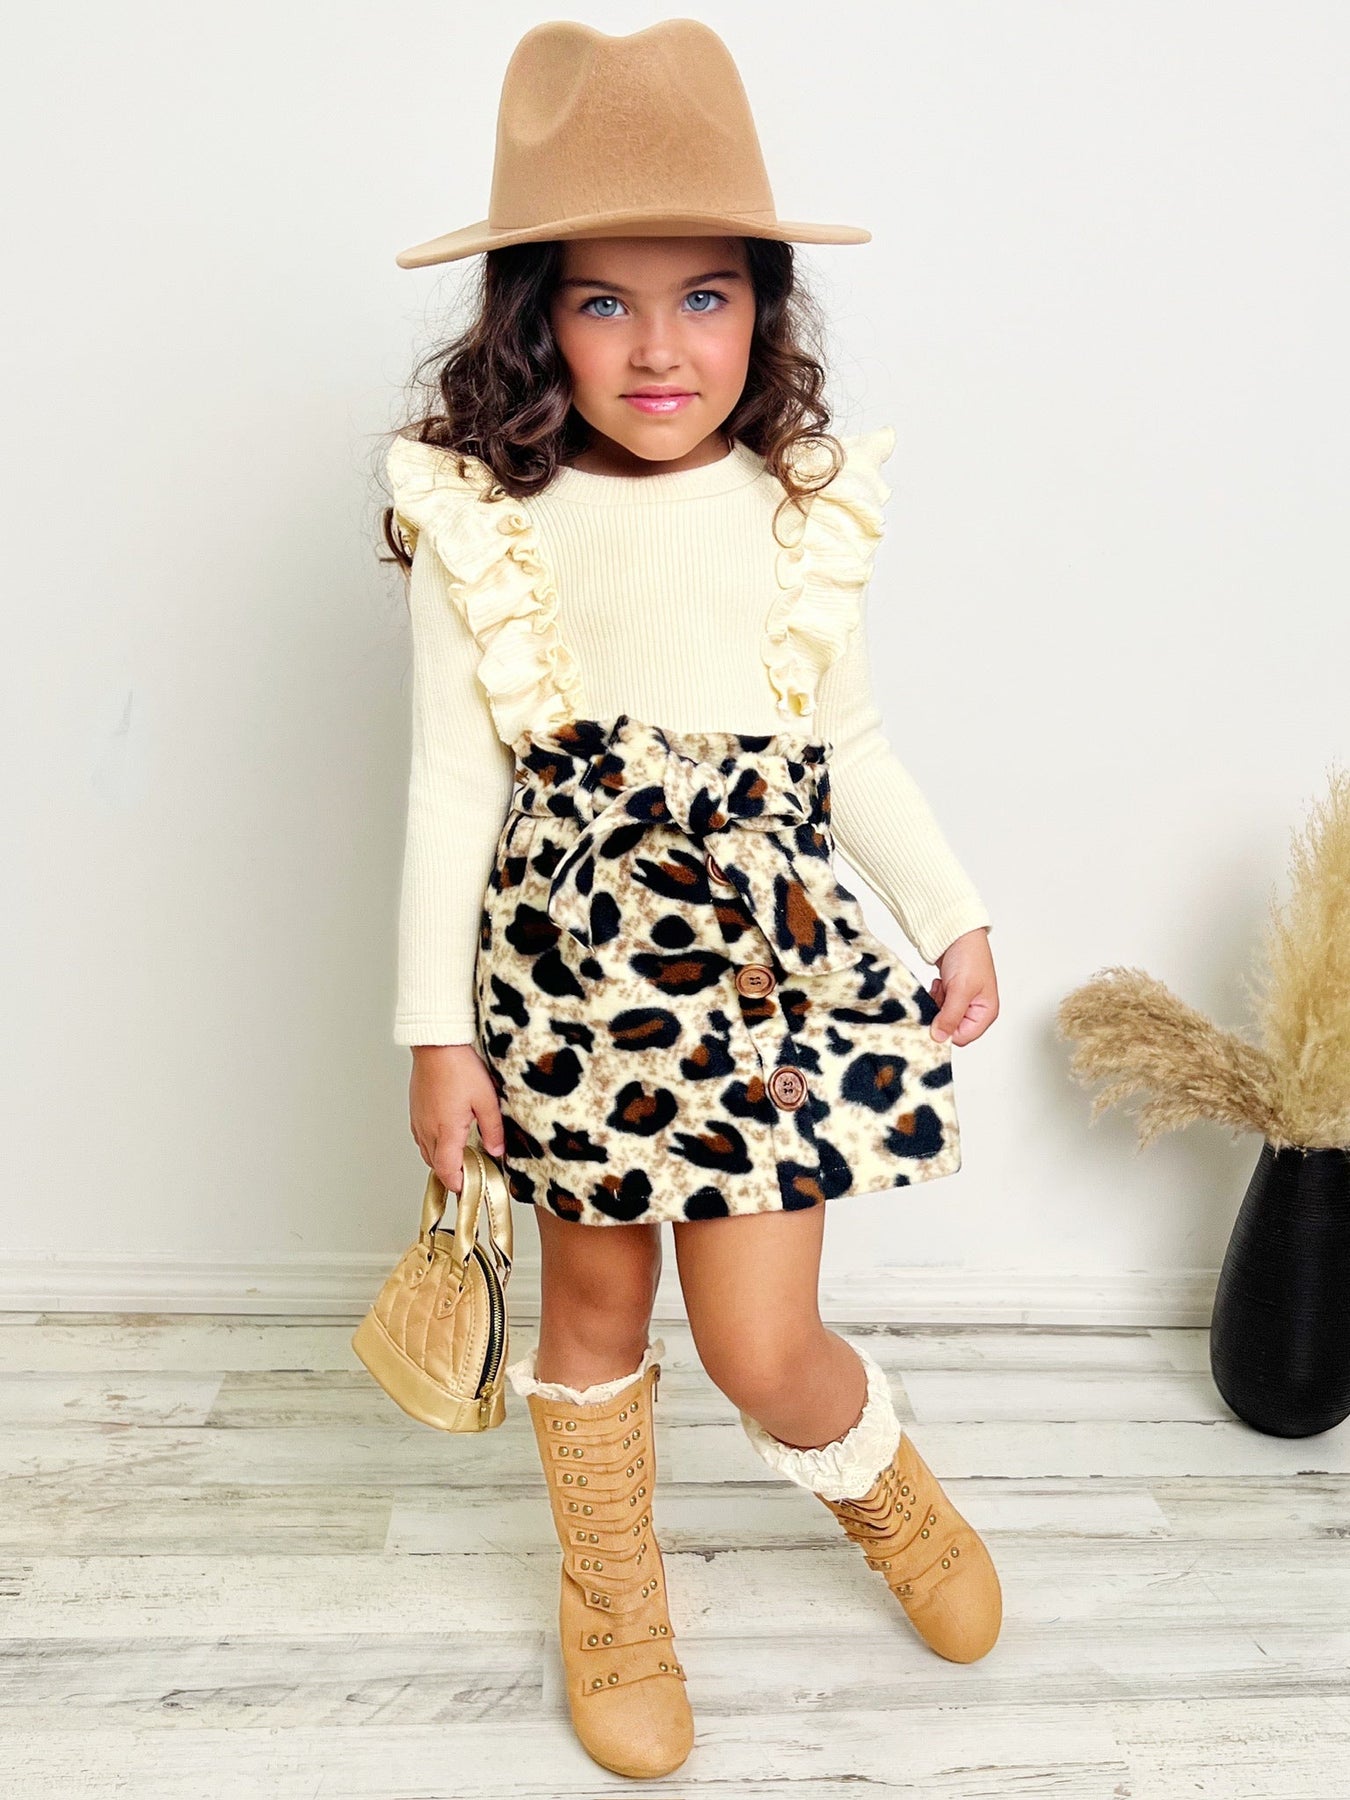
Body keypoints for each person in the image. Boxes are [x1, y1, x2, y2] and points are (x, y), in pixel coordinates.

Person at [380, 19, 1003, 1781]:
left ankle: (888, 1494)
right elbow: (451, 787)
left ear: (761, 309)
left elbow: (845, 741)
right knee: (591, 1313)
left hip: (759, 987)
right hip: (568, 990)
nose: (659, 347)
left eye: (704, 297)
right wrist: (434, 1037)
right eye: (604, 302)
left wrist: (949, 912)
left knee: (757, 1336)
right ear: (535, 319)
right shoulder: (485, 519)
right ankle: (613, 1597)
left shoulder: (799, 508)